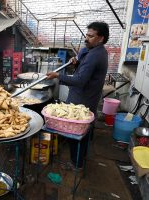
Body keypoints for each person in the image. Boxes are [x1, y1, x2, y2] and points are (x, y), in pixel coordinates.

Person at [46, 21, 109, 169]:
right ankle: (80, 158)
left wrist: (58, 76)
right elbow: (84, 69)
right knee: (83, 132)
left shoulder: (96, 55)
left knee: (75, 133)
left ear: (101, 38)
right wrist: (76, 63)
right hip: (84, 97)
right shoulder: (93, 50)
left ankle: (77, 164)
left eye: (91, 36)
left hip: (82, 101)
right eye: (86, 35)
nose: (86, 38)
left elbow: (80, 80)